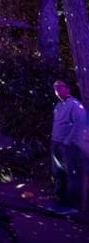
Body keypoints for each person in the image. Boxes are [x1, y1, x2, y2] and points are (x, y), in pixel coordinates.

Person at [49, 80, 86, 214]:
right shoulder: (58, 105)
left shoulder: (75, 105)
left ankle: (73, 206)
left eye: (60, 87)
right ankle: (60, 202)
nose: (57, 90)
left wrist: (68, 140)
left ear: (67, 88)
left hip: (68, 145)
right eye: (55, 88)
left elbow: (81, 123)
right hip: (56, 144)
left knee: (72, 174)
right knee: (58, 173)